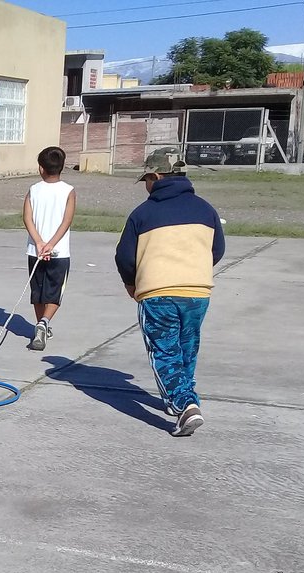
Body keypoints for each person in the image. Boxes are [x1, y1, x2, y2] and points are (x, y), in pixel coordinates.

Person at [115, 150, 225, 437]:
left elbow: (125, 256)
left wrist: (132, 284)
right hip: (197, 292)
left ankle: (185, 405)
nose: (146, 186)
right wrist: (193, 270)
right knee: (187, 348)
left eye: (146, 179)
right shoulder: (205, 209)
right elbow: (217, 250)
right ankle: (180, 397)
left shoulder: (143, 213)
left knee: (164, 351)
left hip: (157, 292)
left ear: (157, 176)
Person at [22, 146, 75, 352]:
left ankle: (41, 325)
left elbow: (27, 218)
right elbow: (66, 220)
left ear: (41, 168)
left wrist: (39, 242)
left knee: (38, 290)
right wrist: (51, 243)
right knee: (54, 292)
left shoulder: (33, 190)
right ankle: (44, 323)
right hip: (58, 251)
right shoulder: (68, 191)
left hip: (35, 251)